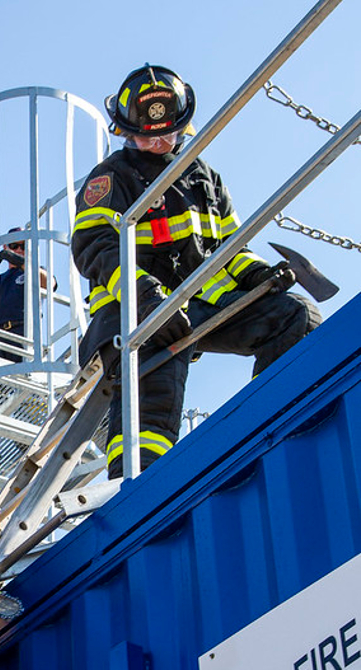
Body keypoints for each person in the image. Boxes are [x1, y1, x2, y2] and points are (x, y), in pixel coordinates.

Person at [72, 65, 322, 479]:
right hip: (135, 312)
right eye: (147, 135)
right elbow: (95, 247)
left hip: (205, 304)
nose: (158, 142)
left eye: (166, 133)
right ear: (126, 132)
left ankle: (271, 426)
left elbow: (229, 248)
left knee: (296, 317)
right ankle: (140, 482)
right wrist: (146, 296)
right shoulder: (110, 178)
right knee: (153, 363)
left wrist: (260, 277)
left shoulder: (204, 178)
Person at [0, 228, 55, 363]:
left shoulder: (35, 271)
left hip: (23, 333)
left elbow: (50, 284)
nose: (19, 250)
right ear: (5, 247)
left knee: (22, 375)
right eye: (14, 245)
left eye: (24, 246)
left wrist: (23, 263)